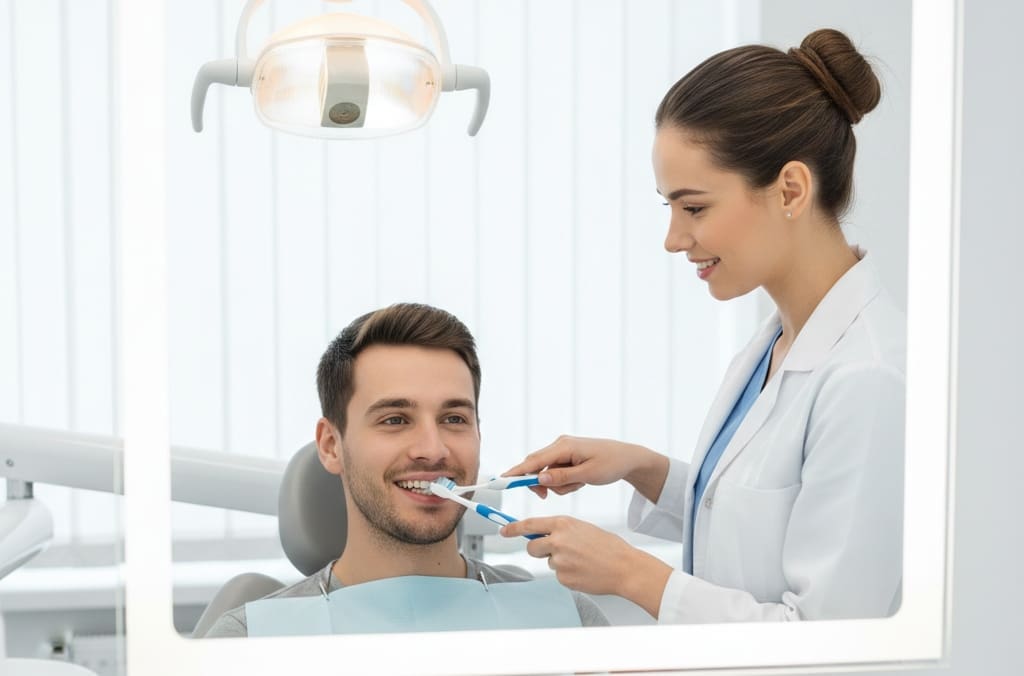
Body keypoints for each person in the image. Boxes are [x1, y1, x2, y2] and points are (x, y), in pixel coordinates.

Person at [500, 28, 905, 624]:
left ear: (790, 189)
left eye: (694, 208)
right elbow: (756, 518)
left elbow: (830, 641)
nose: (673, 239)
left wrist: (634, 575)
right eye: (669, 208)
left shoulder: (868, 378)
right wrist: (642, 468)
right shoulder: (779, 341)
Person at [206, 302, 607, 637]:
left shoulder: (569, 626)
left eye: (454, 419)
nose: (433, 450)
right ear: (331, 446)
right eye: (395, 420)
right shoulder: (247, 644)